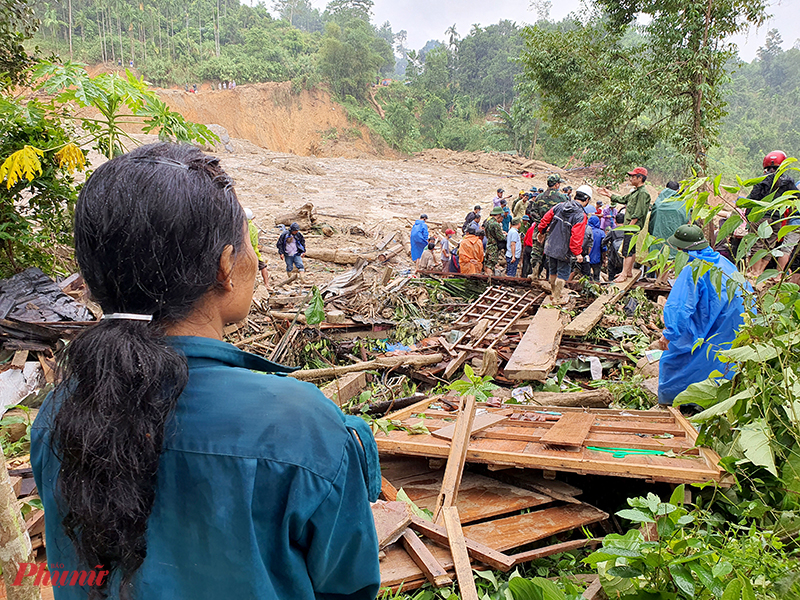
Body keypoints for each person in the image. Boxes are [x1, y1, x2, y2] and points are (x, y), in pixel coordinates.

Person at [30, 143, 380, 600]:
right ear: (224, 267)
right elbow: (348, 587)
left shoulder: (58, 412)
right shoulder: (302, 427)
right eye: (249, 244)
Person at [657, 224, 750, 406]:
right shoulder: (724, 263)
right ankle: (720, 397)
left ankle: (676, 399)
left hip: (717, 320)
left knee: (676, 358)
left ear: (681, 249)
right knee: (722, 359)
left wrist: (669, 335)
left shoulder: (692, 270)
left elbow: (680, 308)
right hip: (738, 322)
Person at [742, 151, 799, 275]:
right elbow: (796, 197)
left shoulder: (761, 179)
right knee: (768, 247)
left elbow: (754, 199)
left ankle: (754, 273)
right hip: (776, 220)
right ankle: (760, 272)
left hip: (760, 217)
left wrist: (748, 217)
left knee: (757, 245)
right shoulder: (788, 181)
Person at [538, 185, 592, 303]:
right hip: (565, 249)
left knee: (552, 271)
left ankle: (553, 294)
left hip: (551, 245)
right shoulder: (580, 215)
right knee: (562, 273)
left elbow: (545, 219)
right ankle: (556, 298)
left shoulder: (560, 206)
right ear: (587, 199)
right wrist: (577, 253)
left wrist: (541, 232)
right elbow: (577, 235)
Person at [598, 166, 652, 283]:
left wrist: (630, 227)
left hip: (633, 226)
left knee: (627, 250)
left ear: (640, 178)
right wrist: (609, 195)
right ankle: (628, 271)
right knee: (630, 249)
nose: (630, 178)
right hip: (631, 226)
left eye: (633, 176)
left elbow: (639, 213)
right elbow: (622, 199)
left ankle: (623, 273)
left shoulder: (643, 194)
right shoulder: (635, 192)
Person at [245, 208, 269, 288]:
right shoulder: (253, 228)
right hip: (253, 251)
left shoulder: (238, 226)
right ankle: (267, 284)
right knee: (263, 266)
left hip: (240, 251)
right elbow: (255, 242)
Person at [603, 212, 626, 281]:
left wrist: (605, 254)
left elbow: (603, 242)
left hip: (613, 259)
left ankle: (611, 290)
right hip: (625, 259)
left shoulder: (612, 231)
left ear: (615, 221)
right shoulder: (628, 231)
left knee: (612, 277)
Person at [484, 207, 507, 275]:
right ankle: (490, 280)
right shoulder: (495, 224)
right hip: (494, 247)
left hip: (489, 245)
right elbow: (500, 237)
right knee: (490, 265)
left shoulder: (487, 222)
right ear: (499, 214)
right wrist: (505, 236)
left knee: (487, 263)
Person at [586, 214, 605, 281]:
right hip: (597, 258)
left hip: (585, 258)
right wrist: (604, 258)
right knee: (596, 276)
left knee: (586, 276)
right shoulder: (601, 233)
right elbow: (604, 247)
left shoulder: (585, 231)